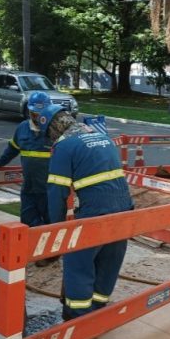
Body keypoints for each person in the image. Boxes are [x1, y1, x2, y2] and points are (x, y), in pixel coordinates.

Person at [41, 104, 134, 320]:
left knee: (78, 261)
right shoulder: (101, 136)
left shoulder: (64, 147)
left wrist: (58, 228)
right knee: (109, 260)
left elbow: (57, 192)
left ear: (53, 129)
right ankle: (98, 309)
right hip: (124, 209)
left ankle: (78, 315)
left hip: (96, 211)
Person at [0, 91, 53, 229]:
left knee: (51, 224)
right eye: (35, 113)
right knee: (27, 222)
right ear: (29, 111)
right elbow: (12, 149)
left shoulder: (55, 131)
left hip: (49, 190)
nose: (38, 116)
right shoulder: (22, 128)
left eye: (41, 113)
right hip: (29, 188)